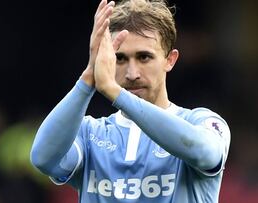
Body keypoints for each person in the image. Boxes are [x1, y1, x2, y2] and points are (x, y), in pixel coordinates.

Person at [30, 0, 231, 202]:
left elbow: (204, 153)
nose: (132, 73)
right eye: (120, 58)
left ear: (170, 60)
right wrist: (89, 76)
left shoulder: (200, 121)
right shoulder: (89, 134)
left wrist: (115, 92)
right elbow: (43, 159)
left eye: (144, 57)